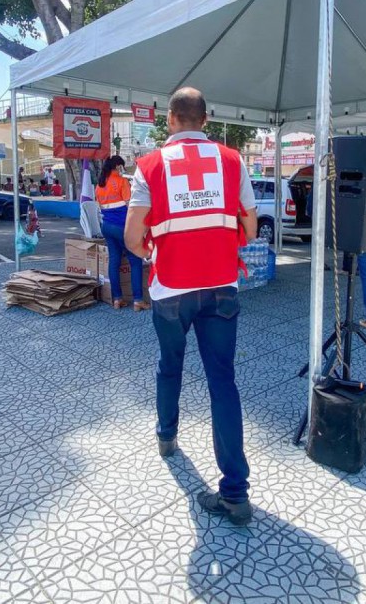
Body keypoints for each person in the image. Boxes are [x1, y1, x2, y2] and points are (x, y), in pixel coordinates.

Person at [125, 87, 257, 526]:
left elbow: (132, 237)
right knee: (223, 382)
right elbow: (250, 229)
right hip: (221, 286)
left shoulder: (149, 166)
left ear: (170, 120)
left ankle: (166, 436)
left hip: (171, 289)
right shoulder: (233, 161)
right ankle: (235, 494)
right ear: (206, 120)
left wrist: (154, 253)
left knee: (170, 366)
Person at [96, 155, 146, 310]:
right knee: (135, 260)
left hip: (106, 227)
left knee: (114, 261)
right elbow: (131, 207)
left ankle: (117, 299)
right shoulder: (122, 182)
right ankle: (138, 300)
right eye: (122, 166)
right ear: (118, 166)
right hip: (121, 226)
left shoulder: (100, 184)